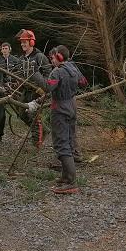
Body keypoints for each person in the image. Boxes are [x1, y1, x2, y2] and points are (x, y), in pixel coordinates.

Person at [27, 45, 87, 194]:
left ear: (59, 57)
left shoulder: (57, 72)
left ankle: (71, 182)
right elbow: (83, 82)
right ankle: (66, 177)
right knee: (69, 139)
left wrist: (34, 74)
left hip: (60, 108)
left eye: (53, 57)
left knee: (61, 144)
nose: (51, 60)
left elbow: (48, 87)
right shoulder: (73, 68)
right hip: (72, 106)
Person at [16, 29, 50, 147]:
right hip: (26, 91)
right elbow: (19, 75)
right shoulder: (21, 59)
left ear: (31, 42)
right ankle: (44, 130)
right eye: (21, 42)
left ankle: (36, 143)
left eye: (25, 42)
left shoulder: (40, 57)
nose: (22, 44)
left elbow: (48, 73)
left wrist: (44, 89)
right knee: (22, 114)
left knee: (33, 115)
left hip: (37, 92)